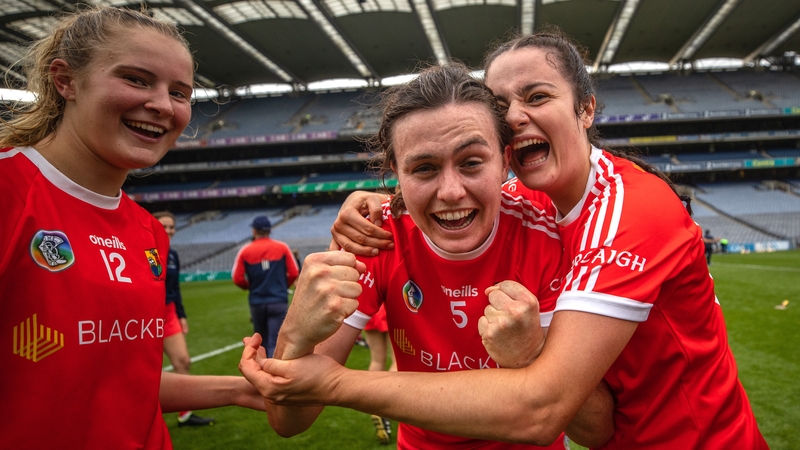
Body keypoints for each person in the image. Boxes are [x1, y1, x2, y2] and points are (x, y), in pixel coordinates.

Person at [243, 28, 768, 449]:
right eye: (502, 104)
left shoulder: (620, 212)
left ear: (586, 108)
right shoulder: (386, 228)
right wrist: (296, 335)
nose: (516, 116)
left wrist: (335, 383)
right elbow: (288, 421)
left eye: (537, 96)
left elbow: (549, 409)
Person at [241, 63, 615, 449]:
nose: (451, 191)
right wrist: (294, 333)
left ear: (505, 161)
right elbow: (288, 420)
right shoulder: (376, 237)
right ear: (395, 174)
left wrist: (532, 351)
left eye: (471, 162)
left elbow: (595, 430)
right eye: (424, 168)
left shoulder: (548, 236)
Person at [0, 7, 262, 448]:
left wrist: (243, 389)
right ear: (65, 80)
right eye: (137, 80)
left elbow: (117, 382)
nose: (162, 104)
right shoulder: (9, 192)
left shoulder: (148, 231)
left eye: (180, 92)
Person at [153, 211, 215, 427]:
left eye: (172, 227)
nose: (169, 231)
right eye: (164, 226)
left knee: (183, 361)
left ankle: (184, 414)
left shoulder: (172, 255)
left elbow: (175, 288)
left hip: (169, 312)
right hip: (147, 314)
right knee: (144, 369)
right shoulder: (144, 250)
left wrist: (181, 315)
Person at [232, 215, 300, 358]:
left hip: (257, 301)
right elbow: (294, 272)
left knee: (259, 340)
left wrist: (249, 287)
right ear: (269, 230)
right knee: (274, 341)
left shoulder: (245, 251)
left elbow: (237, 278)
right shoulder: (282, 248)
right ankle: (273, 373)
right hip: (278, 301)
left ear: (254, 231)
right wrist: (283, 286)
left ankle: (259, 372)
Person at [362, 304, 396, 444]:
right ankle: (385, 406)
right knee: (398, 361)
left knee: (376, 360)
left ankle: (375, 406)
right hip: (389, 307)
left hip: (370, 309)